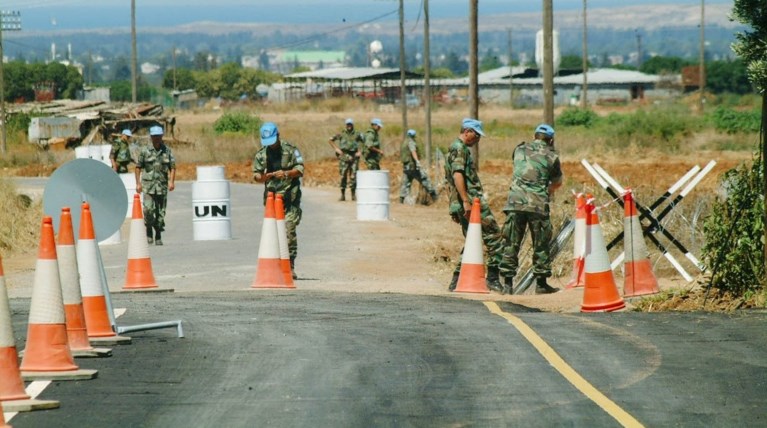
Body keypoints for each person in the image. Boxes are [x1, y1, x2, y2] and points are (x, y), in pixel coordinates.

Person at [444, 118, 506, 293]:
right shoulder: (459, 149)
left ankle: (456, 281)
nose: (478, 140)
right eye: (476, 135)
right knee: (494, 236)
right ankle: (493, 278)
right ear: (467, 131)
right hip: (472, 202)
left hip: (465, 202)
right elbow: (457, 176)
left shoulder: (456, 148)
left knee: (472, 240)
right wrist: (465, 201)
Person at [500, 123, 563, 294]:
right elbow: (557, 182)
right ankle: (541, 285)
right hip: (537, 204)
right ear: (551, 140)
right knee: (540, 244)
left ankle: (507, 284)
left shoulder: (519, 149)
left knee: (511, 242)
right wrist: (545, 191)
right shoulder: (552, 156)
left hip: (515, 203)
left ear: (535, 136)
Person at [253, 122, 304, 279]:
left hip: (290, 198)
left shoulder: (291, 150)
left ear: (278, 136)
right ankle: (275, 265)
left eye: (273, 141)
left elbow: (301, 169)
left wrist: (287, 173)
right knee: (272, 233)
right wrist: (263, 177)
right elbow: (256, 175)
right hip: (271, 200)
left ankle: (290, 265)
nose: (272, 145)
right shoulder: (261, 154)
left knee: (289, 230)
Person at [135, 125, 176, 246]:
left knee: (160, 212)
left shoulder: (167, 151)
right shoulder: (144, 151)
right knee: (148, 210)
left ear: (162, 136)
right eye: (154, 136)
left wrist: (172, 181)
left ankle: (158, 234)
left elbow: (172, 167)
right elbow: (138, 168)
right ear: (151, 137)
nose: (157, 138)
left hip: (161, 186)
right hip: (148, 186)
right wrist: (138, 183)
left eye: (159, 136)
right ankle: (148, 230)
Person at [399, 129, 437, 204]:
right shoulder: (411, 142)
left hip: (406, 167)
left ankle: (401, 199)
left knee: (406, 182)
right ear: (413, 135)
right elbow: (413, 151)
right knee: (424, 179)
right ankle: (434, 196)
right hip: (412, 166)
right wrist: (417, 161)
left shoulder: (404, 142)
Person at [328, 118, 363, 201]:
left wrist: (360, 151)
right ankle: (342, 195)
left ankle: (353, 195)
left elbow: (365, 142)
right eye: (348, 124)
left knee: (353, 176)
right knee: (343, 175)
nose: (349, 126)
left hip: (354, 156)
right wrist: (336, 149)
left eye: (350, 124)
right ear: (346, 125)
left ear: (353, 125)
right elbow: (330, 140)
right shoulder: (341, 134)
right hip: (344, 156)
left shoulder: (357, 134)